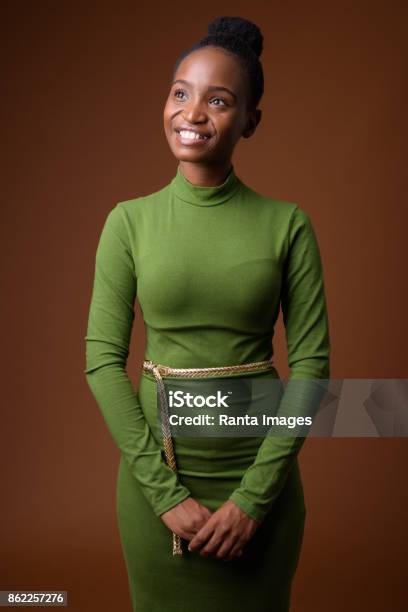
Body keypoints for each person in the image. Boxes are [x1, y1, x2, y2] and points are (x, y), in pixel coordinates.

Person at [84, 15, 330, 612]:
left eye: (218, 100)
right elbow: (101, 360)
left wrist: (253, 501)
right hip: (157, 488)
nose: (192, 114)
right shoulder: (128, 222)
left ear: (250, 120)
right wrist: (164, 494)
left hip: (261, 487)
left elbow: (313, 369)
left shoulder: (287, 224)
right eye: (180, 92)